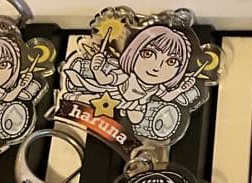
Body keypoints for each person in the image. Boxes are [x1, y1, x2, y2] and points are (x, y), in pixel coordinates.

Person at [63, 25, 201, 141]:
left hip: (135, 107)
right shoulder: (124, 76)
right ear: (133, 52)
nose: (157, 67)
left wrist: (181, 89)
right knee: (92, 100)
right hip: (112, 98)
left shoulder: (157, 87)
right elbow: (104, 80)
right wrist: (96, 70)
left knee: (136, 119)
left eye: (171, 62)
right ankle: (73, 98)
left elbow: (167, 97)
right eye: (148, 54)